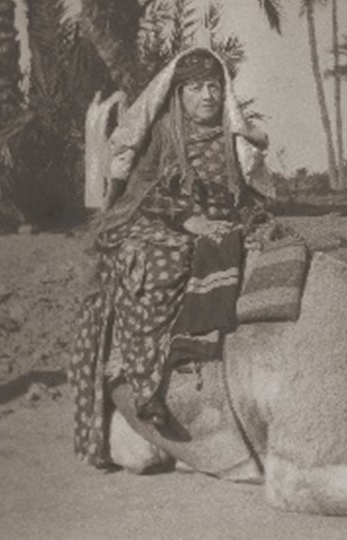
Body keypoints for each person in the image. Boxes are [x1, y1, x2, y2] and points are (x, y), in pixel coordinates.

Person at [69, 48, 274, 467]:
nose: (207, 96)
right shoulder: (163, 135)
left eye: (214, 86)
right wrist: (190, 222)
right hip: (160, 220)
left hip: (222, 220)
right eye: (197, 87)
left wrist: (247, 219)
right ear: (178, 94)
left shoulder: (232, 139)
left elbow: (244, 192)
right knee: (161, 264)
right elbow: (143, 192)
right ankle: (144, 381)